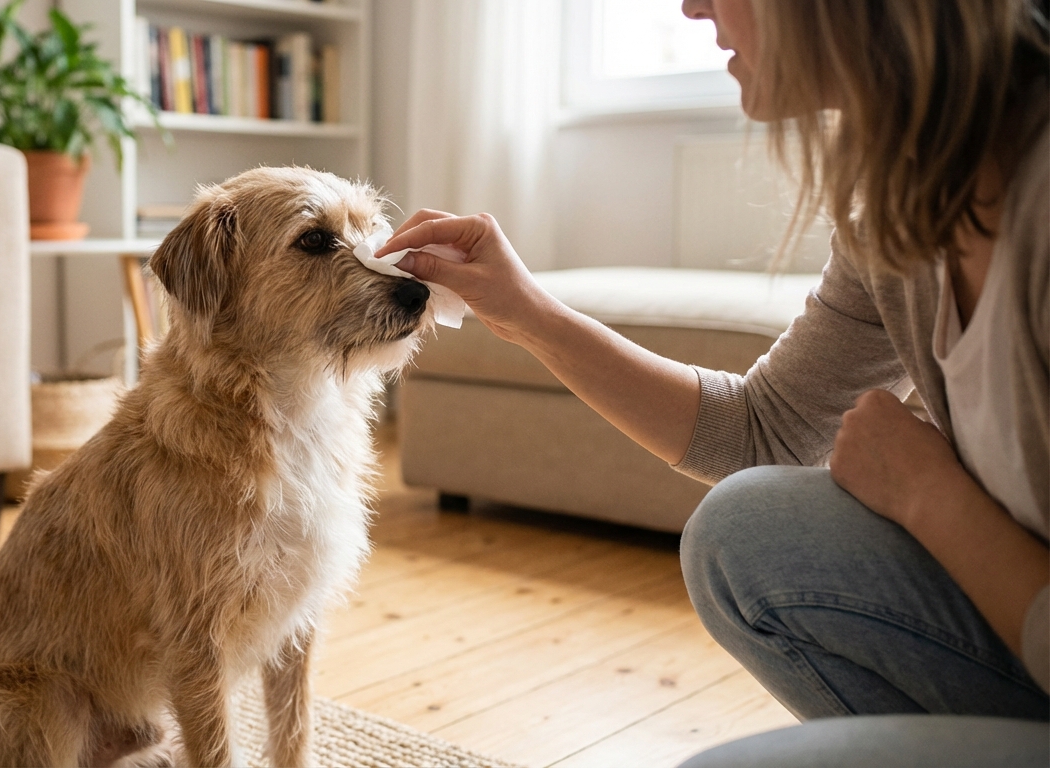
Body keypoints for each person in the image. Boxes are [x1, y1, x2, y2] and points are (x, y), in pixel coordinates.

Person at [377, 0, 1050, 764]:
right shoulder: (898, 213)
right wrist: (526, 310)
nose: (691, 5)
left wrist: (934, 501)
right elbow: (760, 432)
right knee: (748, 531)